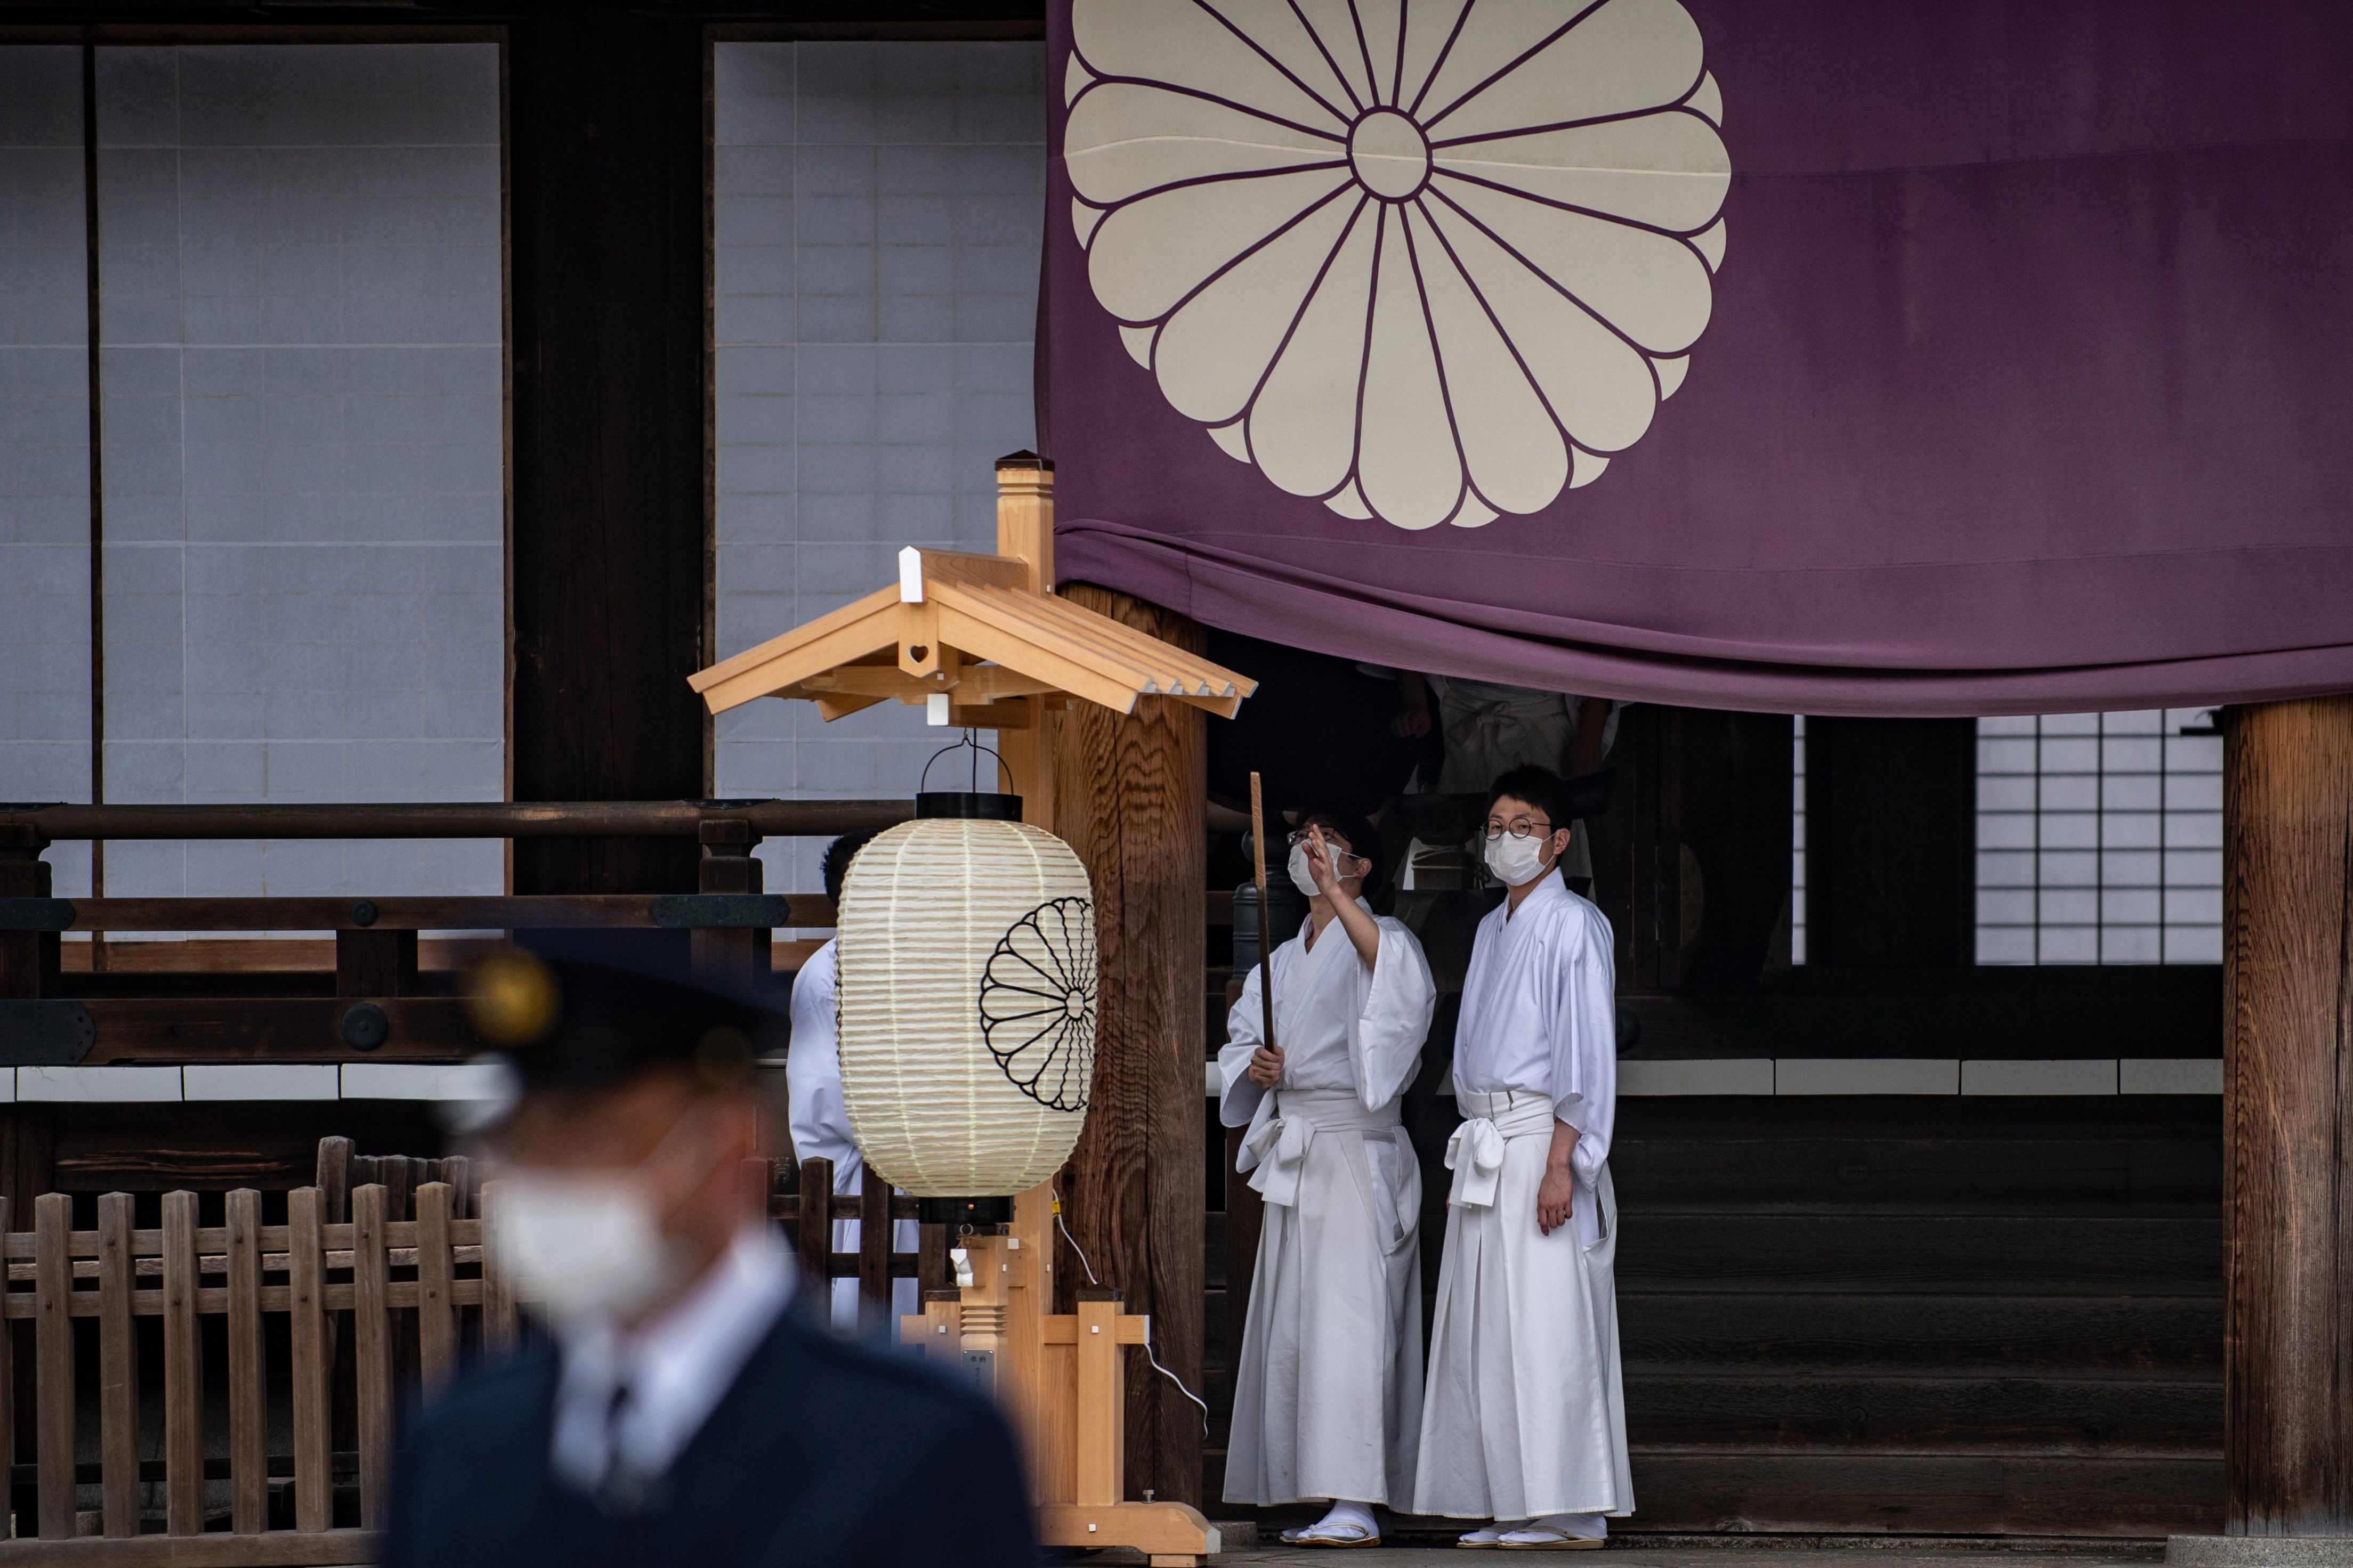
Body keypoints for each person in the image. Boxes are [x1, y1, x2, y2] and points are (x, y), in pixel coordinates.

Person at [381, 946, 1034, 1568]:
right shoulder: (457, 1444)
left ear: (722, 1141)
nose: (549, 1182)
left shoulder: (920, 1445)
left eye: (589, 1139)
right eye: (520, 1147)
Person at [1412, 765, 1631, 1549]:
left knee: (1546, 1322)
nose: (1505, 839)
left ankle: (1570, 1504)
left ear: (1558, 840)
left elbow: (1582, 1052)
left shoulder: (1573, 923)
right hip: (1488, 1139)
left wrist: (1561, 1162)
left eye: (1523, 825)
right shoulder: (1490, 927)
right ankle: (1513, 1495)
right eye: (1496, 825)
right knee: (1490, 1328)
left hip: (1542, 1135)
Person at [1218, 811, 1437, 1546]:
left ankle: (1358, 1496)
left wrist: (1332, 892)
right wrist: (1257, 1066)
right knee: (1298, 1325)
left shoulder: (1387, 939)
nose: (1307, 856)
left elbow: (1393, 988)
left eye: (1325, 845)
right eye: (1299, 845)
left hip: (1353, 1146)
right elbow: (1243, 1040)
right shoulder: (1279, 960)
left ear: (1360, 865)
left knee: (1353, 1325)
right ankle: (1311, 1487)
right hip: (1299, 1147)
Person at [787, 830, 919, 1330]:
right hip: (864, 1162)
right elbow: (825, 1090)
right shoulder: (825, 975)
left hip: (912, 1157)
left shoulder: (906, 962)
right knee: (872, 1308)